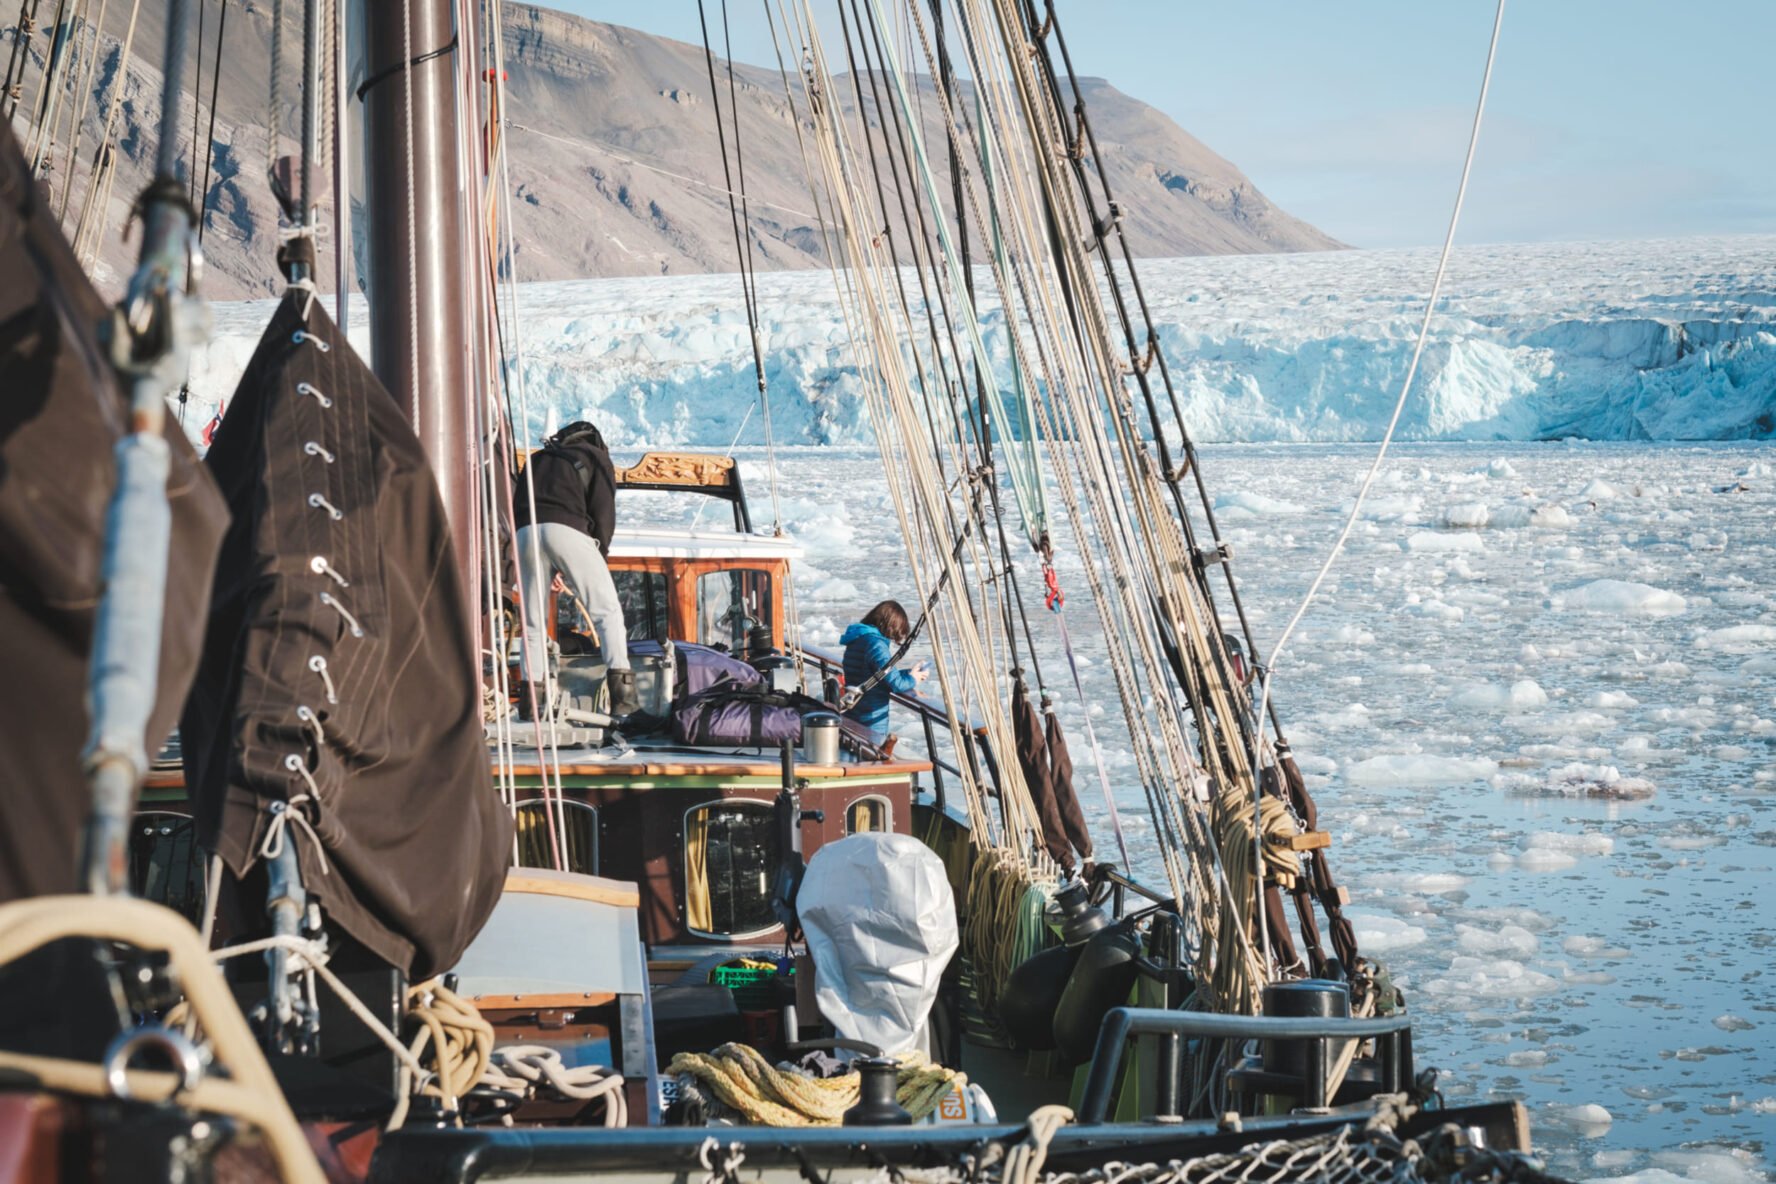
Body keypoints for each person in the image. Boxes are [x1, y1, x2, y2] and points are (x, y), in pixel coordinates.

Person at [514, 421, 638, 717]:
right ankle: (624, 701)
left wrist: (551, 562)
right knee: (607, 612)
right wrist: (598, 558)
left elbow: (517, 503)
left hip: (526, 533)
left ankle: (531, 704)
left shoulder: (537, 459)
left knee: (532, 624)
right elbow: (603, 515)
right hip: (568, 531)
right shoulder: (595, 457)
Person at [840, 600, 930, 736]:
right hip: (871, 719)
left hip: (853, 713)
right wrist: (913, 679)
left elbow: (877, 675)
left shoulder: (858, 638)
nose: (893, 639)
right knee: (871, 749)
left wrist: (910, 673)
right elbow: (896, 684)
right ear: (891, 625)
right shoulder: (876, 645)